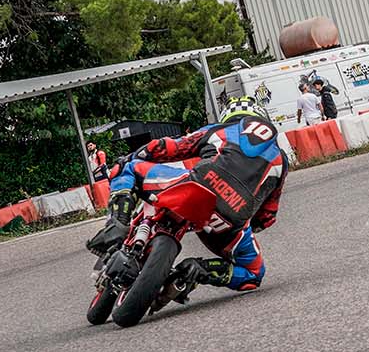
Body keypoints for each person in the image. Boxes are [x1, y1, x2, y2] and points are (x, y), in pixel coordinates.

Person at [103, 95, 289, 298]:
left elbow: (169, 148)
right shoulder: (281, 160)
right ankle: (199, 270)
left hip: (197, 186)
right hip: (229, 219)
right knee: (253, 274)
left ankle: (118, 224)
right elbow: (268, 216)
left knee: (127, 167)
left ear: (228, 116)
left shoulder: (220, 130)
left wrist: (136, 155)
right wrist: (241, 219)